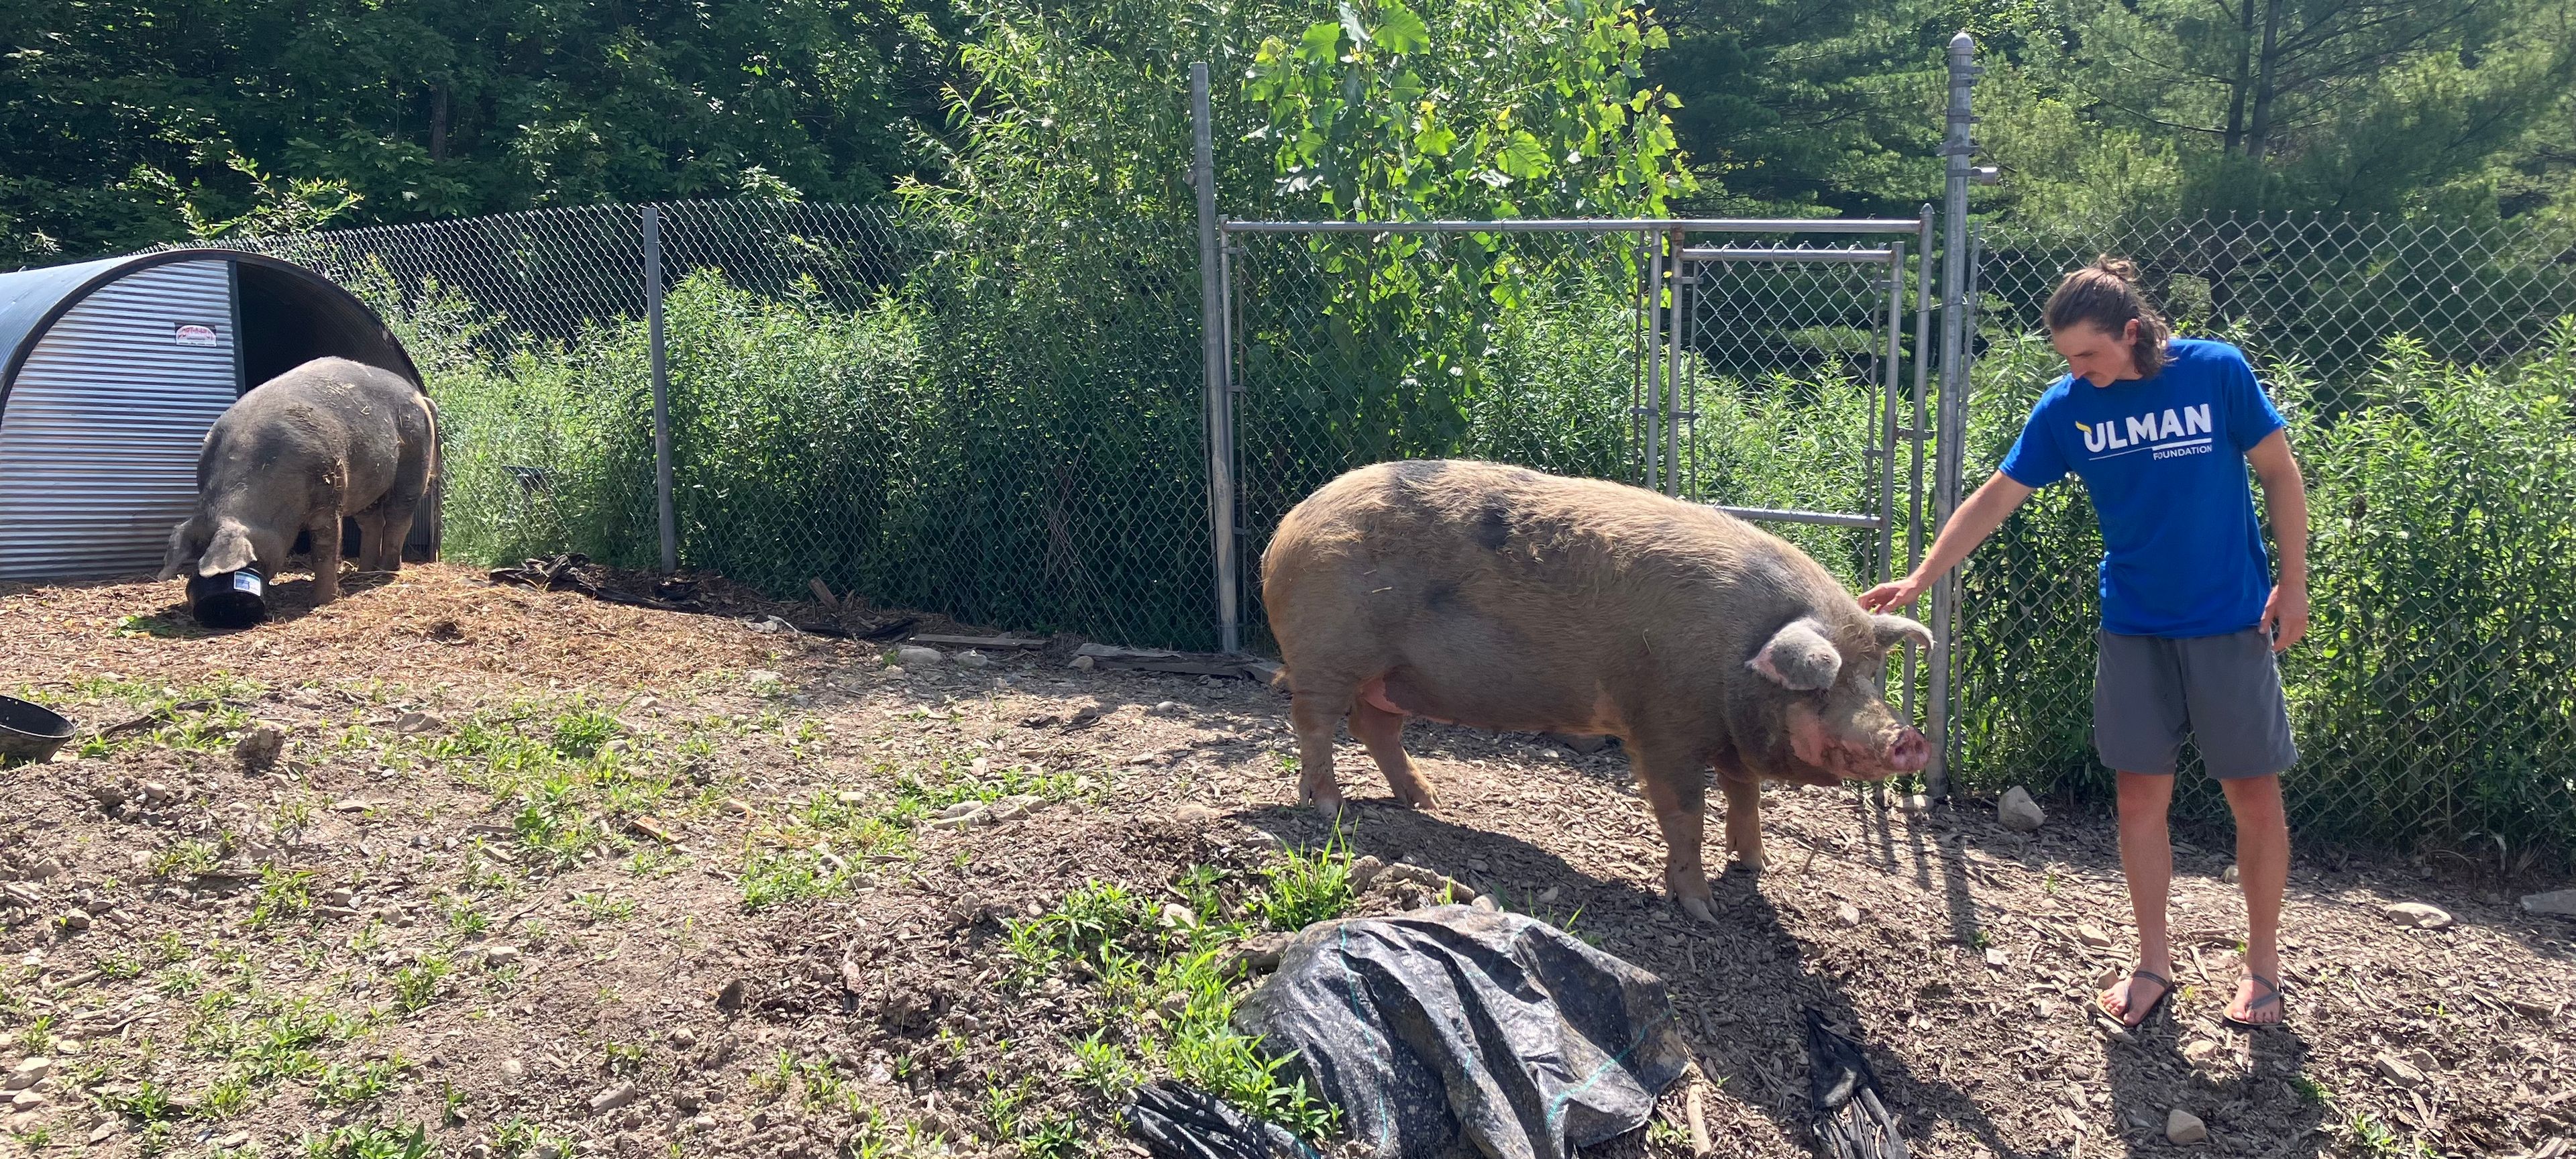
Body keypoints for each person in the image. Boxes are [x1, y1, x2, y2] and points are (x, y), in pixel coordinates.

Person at [1860, 258, 2308, 1029]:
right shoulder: (2069, 407)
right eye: (2067, 358)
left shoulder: (2216, 372)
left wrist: (2293, 583)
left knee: (2254, 797)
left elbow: (2279, 472)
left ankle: (2262, 971)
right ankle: (2152, 964)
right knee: (2139, 798)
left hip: (2230, 622)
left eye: (2089, 355)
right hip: (2133, 627)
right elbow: (1997, 496)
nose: (2078, 371)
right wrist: (1923, 575)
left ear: (2131, 333)